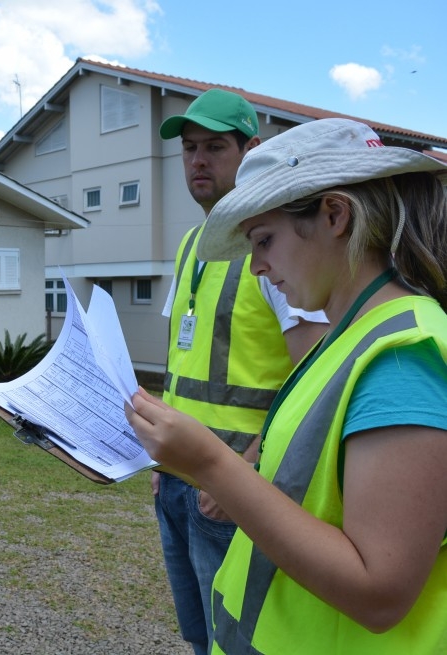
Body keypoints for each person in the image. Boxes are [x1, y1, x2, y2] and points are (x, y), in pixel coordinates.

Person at [127, 117, 447, 654]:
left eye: (264, 240)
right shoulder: (346, 335)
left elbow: (379, 593)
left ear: (335, 215)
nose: (255, 266)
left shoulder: (400, 361)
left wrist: (214, 466)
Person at [154, 89, 327, 655]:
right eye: (189, 149)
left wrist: (245, 475)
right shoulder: (188, 247)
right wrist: (162, 465)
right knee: (200, 637)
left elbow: (318, 371)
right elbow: (180, 363)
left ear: (250, 151)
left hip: (232, 491)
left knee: (238, 641)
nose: (198, 161)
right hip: (178, 483)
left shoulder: (277, 247)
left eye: (214, 147)